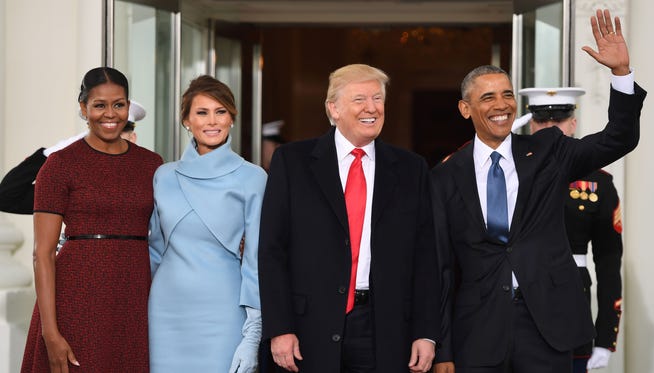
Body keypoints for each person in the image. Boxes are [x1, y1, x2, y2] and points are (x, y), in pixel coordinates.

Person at [429, 9, 644, 373]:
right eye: (487, 98)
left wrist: (621, 74)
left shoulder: (548, 151)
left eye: (507, 94)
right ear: (465, 109)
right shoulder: (444, 177)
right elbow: (441, 270)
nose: (501, 105)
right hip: (477, 333)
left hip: (547, 327)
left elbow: (617, 139)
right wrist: (443, 350)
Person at [258, 63, 452, 373]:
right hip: (308, 327)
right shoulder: (292, 162)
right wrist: (279, 327)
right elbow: (271, 251)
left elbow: (426, 258)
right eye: (359, 99)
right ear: (333, 108)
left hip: (385, 328)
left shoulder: (410, 168)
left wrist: (426, 333)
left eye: (378, 99)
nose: (371, 108)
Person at [20, 67, 163, 373]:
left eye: (119, 104)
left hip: (134, 296)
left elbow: (173, 227)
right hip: (76, 296)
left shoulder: (152, 164)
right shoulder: (59, 165)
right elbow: (42, 254)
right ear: (84, 109)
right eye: (99, 105)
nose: (110, 114)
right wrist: (50, 331)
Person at [148, 75, 266, 373]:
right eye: (202, 112)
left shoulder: (253, 177)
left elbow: (256, 262)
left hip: (224, 311)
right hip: (165, 313)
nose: (212, 121)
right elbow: (153, 253)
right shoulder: (164, 175)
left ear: (232, 118)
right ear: (186, 120)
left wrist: (252, 336)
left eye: (221, 111)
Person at [519, 86, 622, 372]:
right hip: (518, 302)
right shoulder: (512, 170)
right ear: (530, 124)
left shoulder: (598, 182)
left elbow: (608, 260)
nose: (550, 128)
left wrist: (605, 336)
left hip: (570, 304)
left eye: (559, 120)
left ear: (573, 124)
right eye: (541, 120)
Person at [0, 101, 146, 215]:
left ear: (132, 138)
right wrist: (51, 153)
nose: (110, 141)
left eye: (119, 132)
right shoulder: (76, 184)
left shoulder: (149, 176)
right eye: (101, 135)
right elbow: (6, 197)